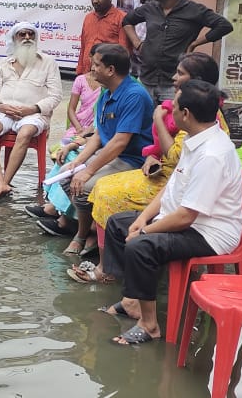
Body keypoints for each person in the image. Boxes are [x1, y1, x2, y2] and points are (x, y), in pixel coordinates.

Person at [99, 79, 242, 346]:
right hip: (186, 219)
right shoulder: (195, 139)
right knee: (119, 223)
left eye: (174, 107)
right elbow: (171, 188)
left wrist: (145, 230)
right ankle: (133, 300)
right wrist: (142, 219)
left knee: (140, 246)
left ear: (186, 114)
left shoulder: (212, 154)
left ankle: (150, 324)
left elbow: (187, 216)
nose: (170, 111)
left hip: (208, 233)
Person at [68, 53, 226, 276]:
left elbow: (176, 157)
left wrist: (158, 120)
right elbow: (168, 151)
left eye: (180, 73)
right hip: (166, 175)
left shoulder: (202, 116)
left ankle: (106, 267)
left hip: (177, 184)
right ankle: (101, 252)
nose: (173, 78)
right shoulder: (186, 107)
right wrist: (154, 157)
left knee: (105, 192)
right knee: (98, 186)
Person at [30, 45, 154, 251]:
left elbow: (120, 142)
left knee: (85, 185)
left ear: (111, 70)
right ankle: (88, 230)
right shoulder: (106, 93)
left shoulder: (134, 95)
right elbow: (99, 135)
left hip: (131, 159)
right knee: (66, 174)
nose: (92, 68)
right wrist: (78, 163)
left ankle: (83, 235)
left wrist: (88, 171)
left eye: (96, 64)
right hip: (111, 155)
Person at [122, 0, 233, 103]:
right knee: (144, 121)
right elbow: (127, 21)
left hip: (173, 84)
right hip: (146, 78)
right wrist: (137, 43)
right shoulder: (150, 7)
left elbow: (224, 25)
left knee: (171, 121)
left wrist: (195, 44)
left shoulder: (193, 10)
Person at [0, 21, 63, 200]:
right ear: (14, 38)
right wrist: (0, 106)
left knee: (25, 133)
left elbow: (56, 96)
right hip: (5, 112)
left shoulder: (48, 62)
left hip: (33, 114)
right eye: (22, 34)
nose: (27, 38)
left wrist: (32, 108)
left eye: (30, 34)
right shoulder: (4, 63)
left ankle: (4, 183)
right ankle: (0, 180)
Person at [77, 0, 129, 76]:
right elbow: (83, 46)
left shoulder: (121, 18)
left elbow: (124, 51)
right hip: (87, 74)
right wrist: (80, 72)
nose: (95, 1)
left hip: (108, 77)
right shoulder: (88, 18)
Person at [63, 67, 103, 143]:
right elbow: (71, 109)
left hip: (97, 129)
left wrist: (87, 132)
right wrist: (79, 128)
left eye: (98, 64)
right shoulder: (80, 80)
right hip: (79, 125)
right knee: (64, 143)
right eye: (95, 62)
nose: (94, 67)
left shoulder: (107, 85)